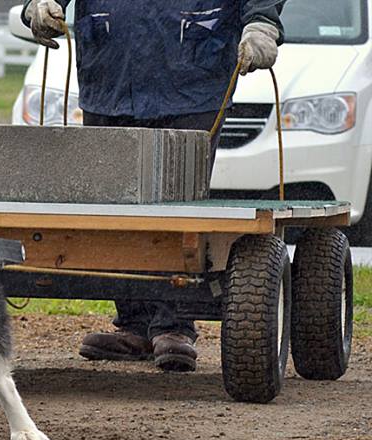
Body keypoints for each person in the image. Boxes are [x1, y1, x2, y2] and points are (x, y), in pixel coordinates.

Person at [23, 0, 284, 372]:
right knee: (115, 208)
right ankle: (134, 323)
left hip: (192, 72)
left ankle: (172, 326)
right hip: (112, 73)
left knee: (178, 205)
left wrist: (261, 22)